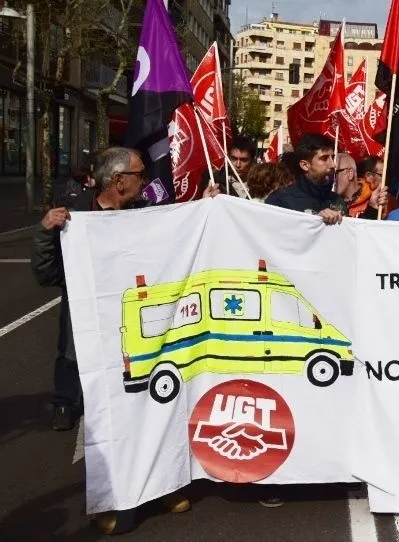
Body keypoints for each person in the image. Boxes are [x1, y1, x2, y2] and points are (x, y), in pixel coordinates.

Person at [32, 147, 217, 534]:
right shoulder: (75, 216)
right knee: (105, 417)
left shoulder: (142, 215)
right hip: (96, 341)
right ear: (118, 181)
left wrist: (201, 210)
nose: (145, 180)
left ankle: (162, 484)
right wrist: (46, 232)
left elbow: (173, 241)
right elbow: (47, 275)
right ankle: (112, 497)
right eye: (139, 174)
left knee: (155, 411)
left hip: (149, 336)